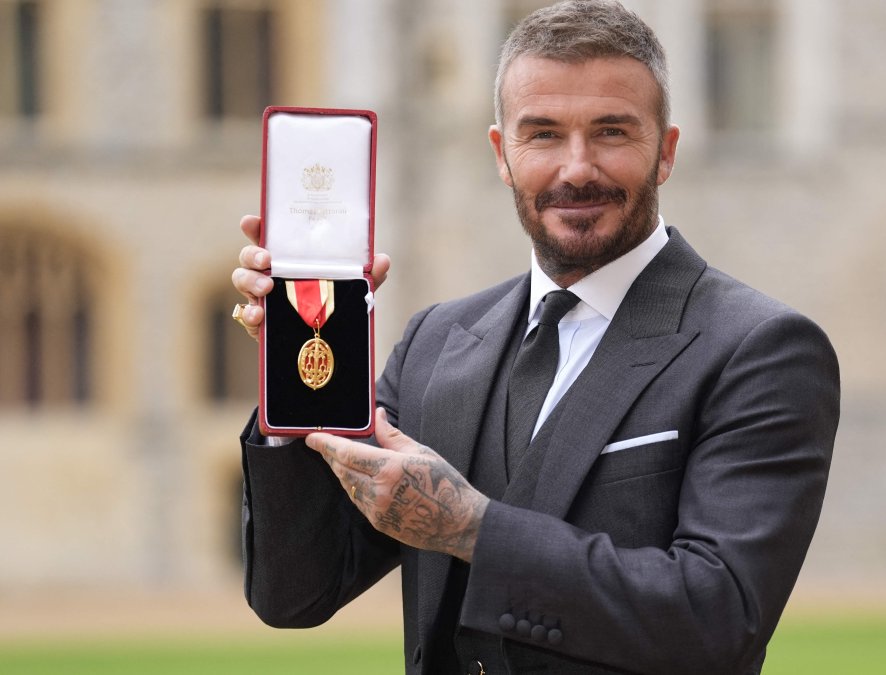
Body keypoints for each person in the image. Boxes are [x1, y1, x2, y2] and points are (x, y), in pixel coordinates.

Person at [230, 1, 839, 673]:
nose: (576, 168)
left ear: (665, 151)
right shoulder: (436, 342)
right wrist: (296, 367)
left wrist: (472, 528)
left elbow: (717, 615)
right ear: (503, 153)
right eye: (543, 134)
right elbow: (296, 593)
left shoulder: (761, 349)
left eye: (611, 132)